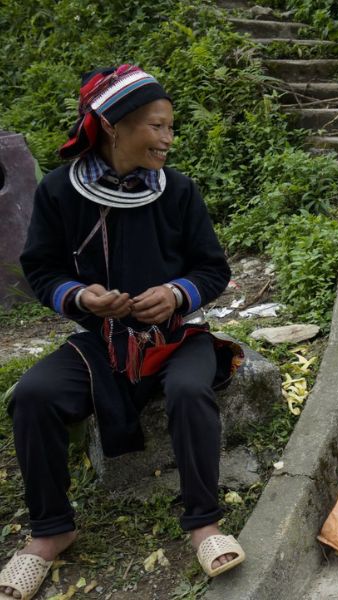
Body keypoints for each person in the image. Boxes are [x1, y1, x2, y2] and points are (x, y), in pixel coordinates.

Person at [0, 64, 244, 600]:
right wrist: (82, 296)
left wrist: (177, 293)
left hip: (179, 337)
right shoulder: (61, 191)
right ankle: (51, 530)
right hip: (101, 342)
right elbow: (41, 270)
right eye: (157, 126)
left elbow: (213, 269)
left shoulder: (177, 191)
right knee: (34, 396)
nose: (167, 139)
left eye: (171, 128)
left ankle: (204, 523)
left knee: (187, 391)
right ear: (112, 125)